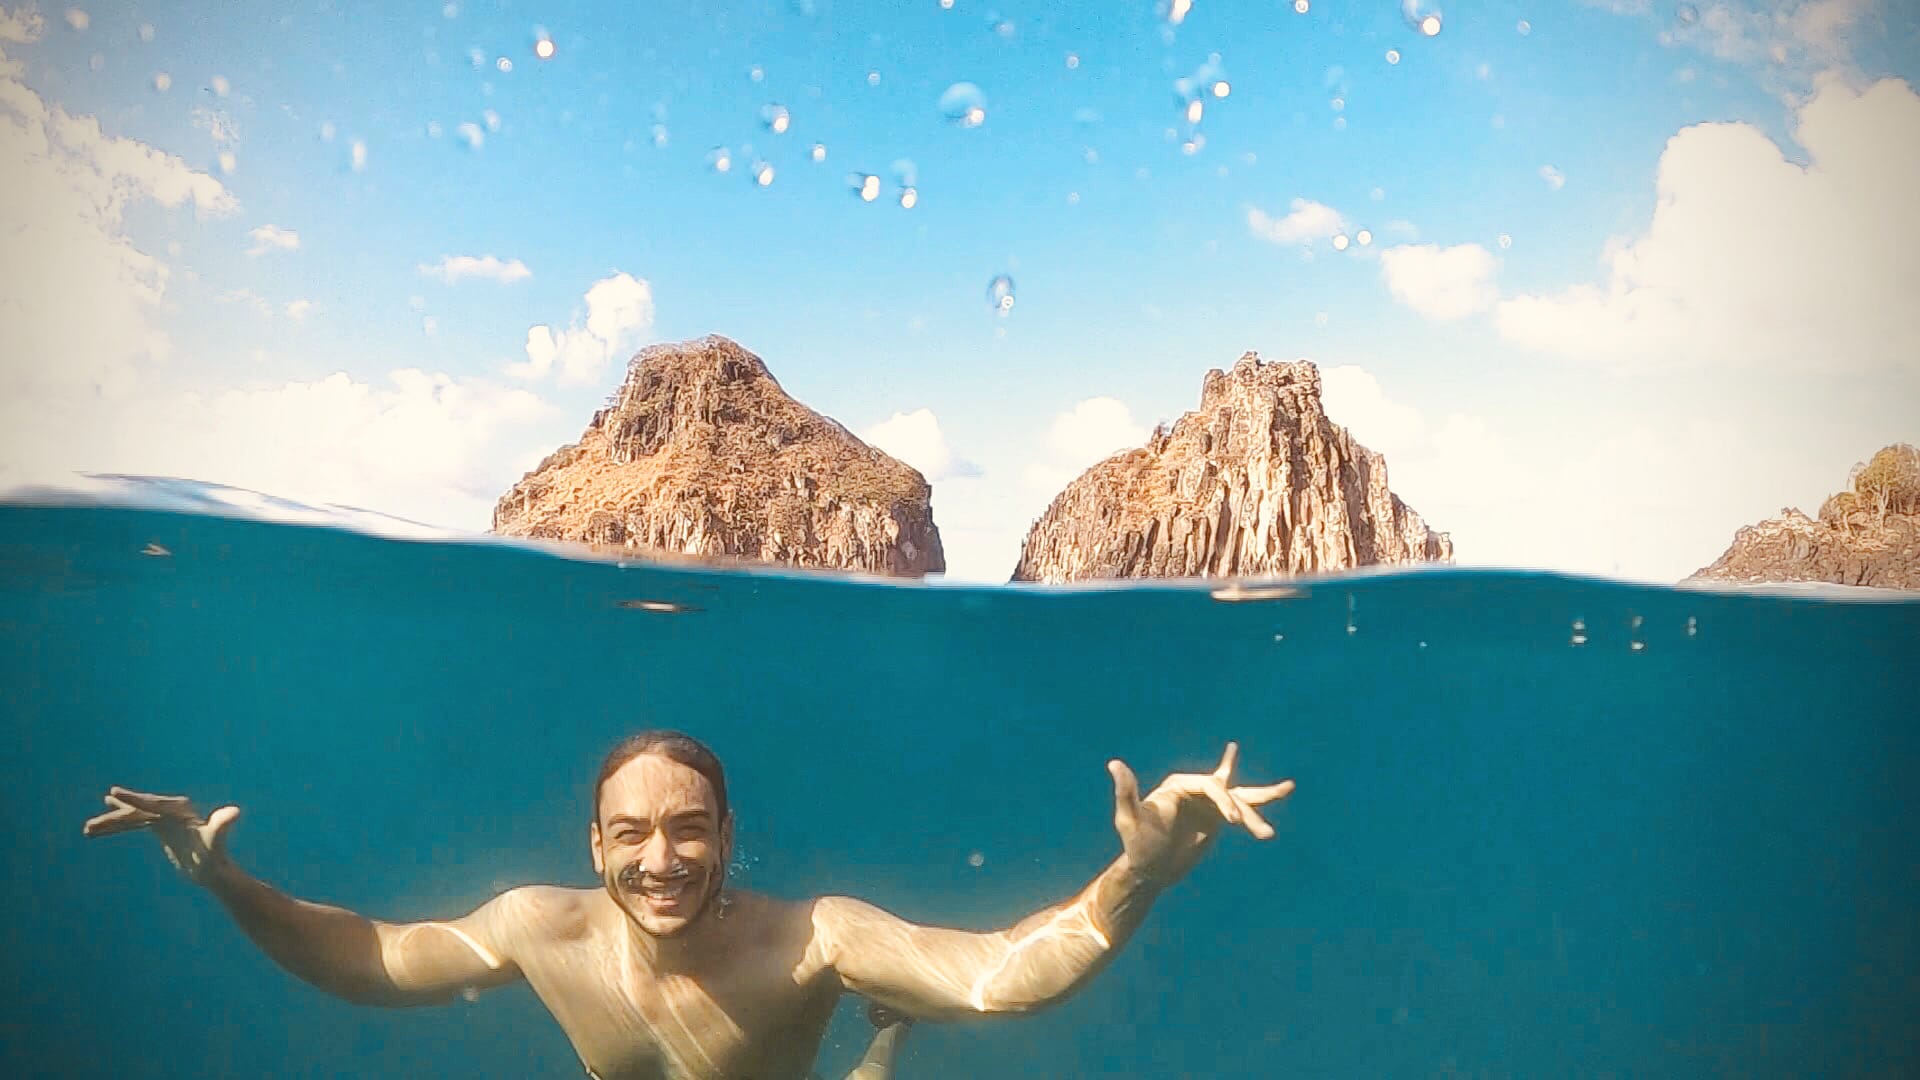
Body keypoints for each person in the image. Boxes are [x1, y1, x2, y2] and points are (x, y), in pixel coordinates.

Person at [84, 731, 1294, 1079]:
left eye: (688, 830)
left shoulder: (813, 938)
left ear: (727, 837)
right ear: (593, 846)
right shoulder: (539, 927)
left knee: (889, 1049)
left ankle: (884, 1038)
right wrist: (227, 883)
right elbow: (373, 958)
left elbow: (998, 978)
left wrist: (1138, 874)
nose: (659, 860)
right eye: (631, 834)